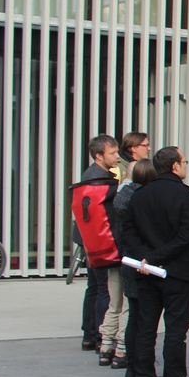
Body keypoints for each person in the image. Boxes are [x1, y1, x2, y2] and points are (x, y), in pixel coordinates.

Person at [115, 146, 189, 377]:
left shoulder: (140, 194)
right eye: (183, 162)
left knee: (146, 327)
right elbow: (186, 235)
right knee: (175, 330)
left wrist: (145, 257)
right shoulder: (186, 195)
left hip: (146, 271)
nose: (186, 166)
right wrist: (154, 258)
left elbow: (128, 232)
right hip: (177, 271)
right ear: (175, 166)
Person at [108, 159, 155, 377]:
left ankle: (130, 366)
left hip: (127, 257)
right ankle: (139, 367)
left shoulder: (122, 196)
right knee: (142, 318)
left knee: (133, 314)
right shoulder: (141, 199)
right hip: (140, 260)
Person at [74, 135, 122, 358]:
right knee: (103, 288)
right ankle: (100, 336)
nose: (117, 157)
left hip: (89, 239)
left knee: (94, 287)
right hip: (99, 240)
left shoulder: (91, 175)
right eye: (113, 153)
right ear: (98, 156)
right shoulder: (99, 179)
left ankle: (89, 335)